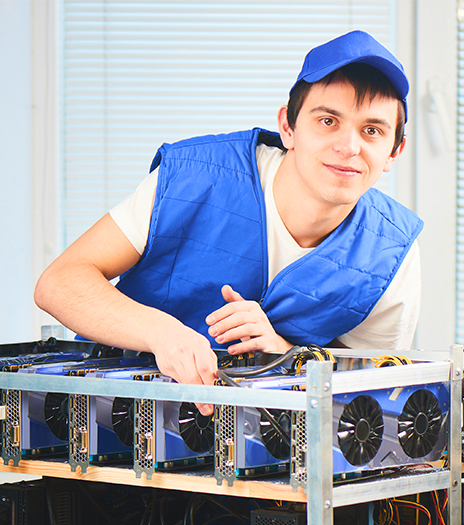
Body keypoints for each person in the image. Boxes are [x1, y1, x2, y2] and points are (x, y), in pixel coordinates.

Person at [34, 30, 423, 415]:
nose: (349, 146)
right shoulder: (193, 178)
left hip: (268, 463)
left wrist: (286, 357)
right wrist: (161, 333)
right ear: (288, 126)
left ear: (393, 151)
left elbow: (374, 403)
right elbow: (59, 283)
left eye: (372, 130)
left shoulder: (392, 254)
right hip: (112, 431)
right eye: (327, 121)